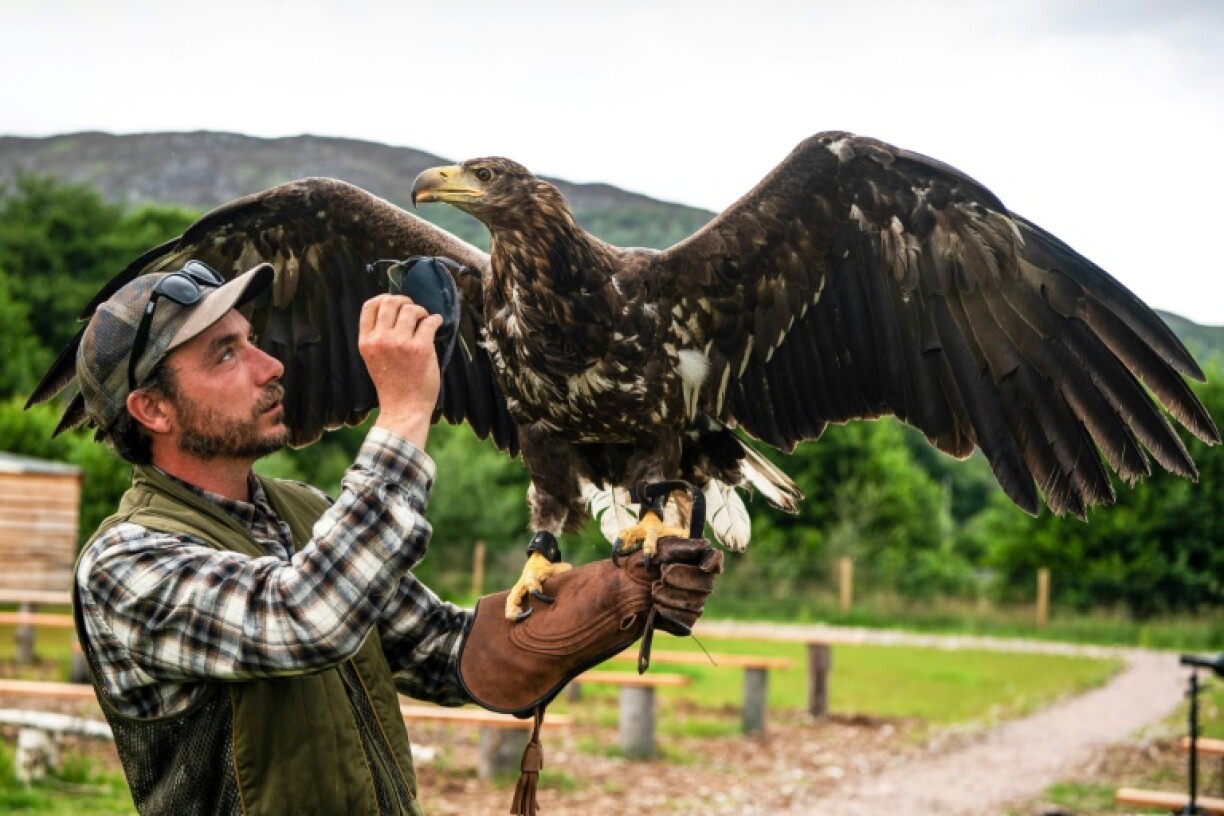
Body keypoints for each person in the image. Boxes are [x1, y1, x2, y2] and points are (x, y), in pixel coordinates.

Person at [69, 260, 723, 816]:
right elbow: (302, 619)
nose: (270, 366)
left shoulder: (304, 514)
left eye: (252, 340)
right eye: (227, 354)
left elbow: (443, 648)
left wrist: (618, 592)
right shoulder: (124, 563)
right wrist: (406, 409)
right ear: (152, 409)